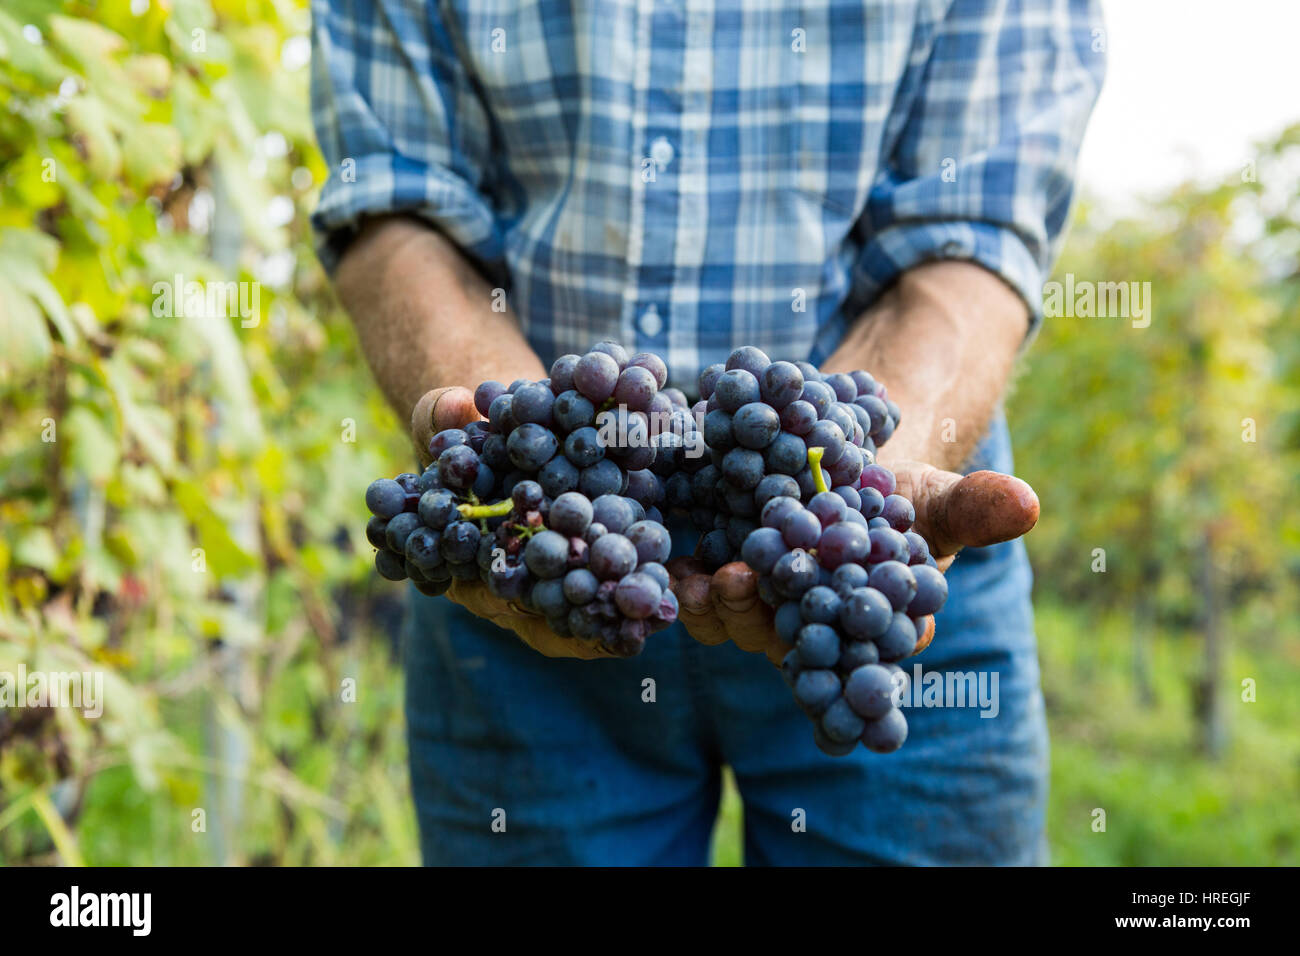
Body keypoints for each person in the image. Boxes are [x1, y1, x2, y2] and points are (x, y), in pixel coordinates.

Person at [310, 0, 1105, 864]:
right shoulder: (533, 526)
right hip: (542, 555)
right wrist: (491, 422)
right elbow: (394, 197)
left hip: (878, 516)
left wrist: (871, 463)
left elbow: (972, 229)